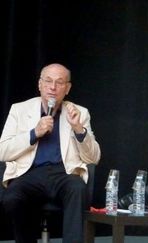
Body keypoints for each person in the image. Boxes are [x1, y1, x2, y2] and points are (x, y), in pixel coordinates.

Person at [0, 63, 101, 243]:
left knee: (78, 188)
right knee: (12, 197)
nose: (53, 87)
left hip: (64, 172)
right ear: (40, 84)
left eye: (59, 82)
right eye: (48, 81)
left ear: (67, 88)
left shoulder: (80, 112)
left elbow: (93, 157)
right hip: (29, 173)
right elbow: (2, 151)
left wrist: (78, 128)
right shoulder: (19, 110)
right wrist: (34, 134)